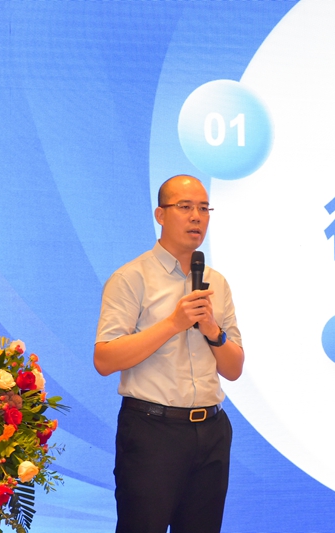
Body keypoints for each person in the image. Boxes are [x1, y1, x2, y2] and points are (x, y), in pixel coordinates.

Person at [94, 174, 244, 533]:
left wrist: (213, 331)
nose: (196, 217)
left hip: (211, 431)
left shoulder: (216, 283)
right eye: (185, 207)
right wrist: (173, 323)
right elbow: (105, 359)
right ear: (160, 215)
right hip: (152, 431)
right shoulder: (131, 278)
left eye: (204, 209)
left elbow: (234, 368)